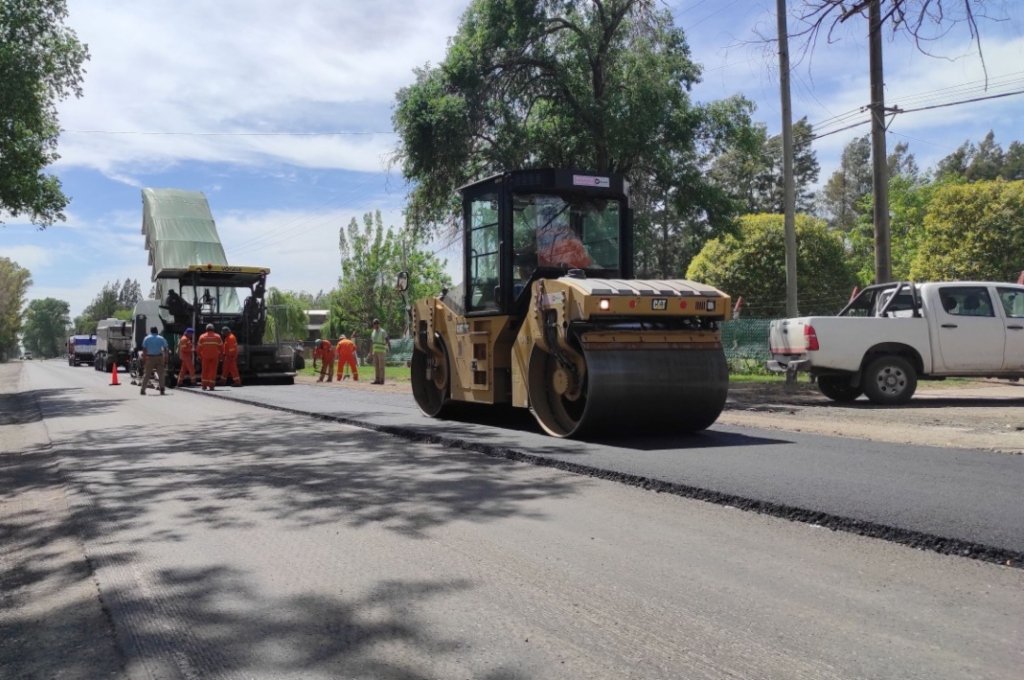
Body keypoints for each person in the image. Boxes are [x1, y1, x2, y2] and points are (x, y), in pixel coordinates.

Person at [140, 326, 169, 396]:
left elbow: (144, 350)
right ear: (157, 331)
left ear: (151, 331)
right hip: (159, 357)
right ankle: (162, 389)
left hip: (150, 357)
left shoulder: (146, 338)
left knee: (147, 374)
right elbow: (166, 349)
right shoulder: (161, 338)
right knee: (161, 374)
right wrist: (166, 358)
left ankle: (143, 390)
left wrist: (144, 359)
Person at [197, 323, 224, 391]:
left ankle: (204, 386)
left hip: (205, 356)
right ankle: (211, 385)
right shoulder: (217, 337)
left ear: (206, 329)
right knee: (213, 371)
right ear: (213, 329)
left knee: (205, 370)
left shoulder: (202, 337)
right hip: (215, 356)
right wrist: (221, 356)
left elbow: (198, 348)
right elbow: (221, 347)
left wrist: (199, 355)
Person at [370, 319, 390, 384]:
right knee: (376, 366)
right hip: (375, 351)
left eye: (376, 324)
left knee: (381, 366)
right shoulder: (373, 332)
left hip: (381, 351)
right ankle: (377, 379)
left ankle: (382, 380)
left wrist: (388, 347)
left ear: (378, 324)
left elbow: (387, 339)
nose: (375, 325)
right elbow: (372, 342)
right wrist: (371, 351)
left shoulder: (382, 331)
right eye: (374, 324)